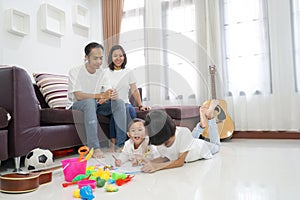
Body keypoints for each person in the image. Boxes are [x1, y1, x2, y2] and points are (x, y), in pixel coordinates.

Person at [66, 42, 127, 158]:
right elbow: (78, 95)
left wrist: (110, 95)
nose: (99, 62)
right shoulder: (75, 71)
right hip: (77, 105)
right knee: (89, 102)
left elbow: (108, 91)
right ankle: (94, 147)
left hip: (96, 105)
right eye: (95, 58)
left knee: (119, 102)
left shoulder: (102, 73)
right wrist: (100, 95)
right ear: (86, 57)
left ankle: (120, 144)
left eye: (101, 58)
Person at [141, 100, 221, 173]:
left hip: (200, 148)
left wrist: (156, 166)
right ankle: (201, 125)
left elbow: (180, 161)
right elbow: (167, 157)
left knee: (216, 146)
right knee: (188, 140)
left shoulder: (183, 133)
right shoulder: (162, 143)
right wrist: (150, 161)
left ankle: (210, 117)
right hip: (187, 143)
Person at [106, 44, 150, 152]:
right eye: (115, 56)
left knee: (127, 109)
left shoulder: (128, 71)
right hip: (110, 103)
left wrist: (140, 105)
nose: (118, 58)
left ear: (124, 57)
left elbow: (134, 90)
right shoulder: (105, 72)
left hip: (125, 103)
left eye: (121, 56)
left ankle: (123, 141)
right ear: (111, 58)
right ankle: (117, 143)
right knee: (118, 109)